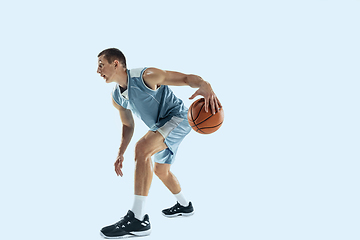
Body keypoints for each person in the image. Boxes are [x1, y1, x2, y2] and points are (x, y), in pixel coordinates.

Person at [97, 48, 221, 238]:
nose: (98, 71)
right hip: (160, 126)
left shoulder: (146, 76)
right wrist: (120, 152)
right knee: (160, 171)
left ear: (115, 63)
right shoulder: (117, 98)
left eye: (101, 65)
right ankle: (185, 205)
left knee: (142, 149)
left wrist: (205, 84)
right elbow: (128, 125)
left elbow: (186, 79)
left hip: (177, 118)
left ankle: (138, 219)